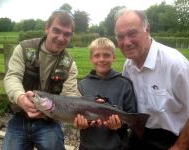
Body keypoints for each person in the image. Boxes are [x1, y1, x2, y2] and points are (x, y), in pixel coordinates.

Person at [2, 10, 80, 150]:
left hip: (49, 122)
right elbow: (12, 77)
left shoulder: (70, 65)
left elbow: (70, 96)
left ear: (71, 36)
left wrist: (80, 114)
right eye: (56, 31)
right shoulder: (24, 49)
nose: (61, 38)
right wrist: (21, 99)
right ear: (47, 28)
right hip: (19, 117)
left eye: (67, 34)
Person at [114, 8, 189, 150]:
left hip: (172, 140)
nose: (126, 42)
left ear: (147, 29)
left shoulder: (175, 64)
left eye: (132, 33)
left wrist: (180, 145)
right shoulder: (128, 66)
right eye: (120, 37)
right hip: (139, 136)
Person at [73, 37, 137, 150]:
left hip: (117, 146)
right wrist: (78, 123)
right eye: (97, 55)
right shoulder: (82, 85)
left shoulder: (125, 84)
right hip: (87, 146)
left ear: (114, 57)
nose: (101, 59)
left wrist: (119, 124)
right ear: (91, 59)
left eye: (106, 55)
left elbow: (131, 117)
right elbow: (75, 112)